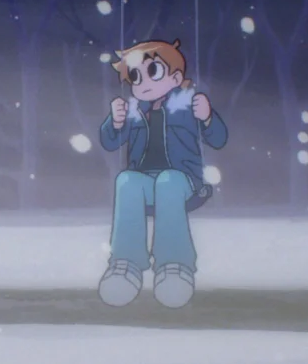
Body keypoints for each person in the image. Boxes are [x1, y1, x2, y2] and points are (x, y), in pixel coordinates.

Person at [97, 39, 228, 308]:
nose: (143, 82)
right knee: (126, 180)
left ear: (176, 77)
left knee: (168, 180)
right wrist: (115, 122)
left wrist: (207, 118)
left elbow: (218, 139)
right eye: (136, 76)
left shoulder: (187, 106)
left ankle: (174, 264)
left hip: (184, 180)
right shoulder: (134, 111)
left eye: (153, 71)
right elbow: (110, 142)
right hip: (145, 181)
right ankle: (126, 262)